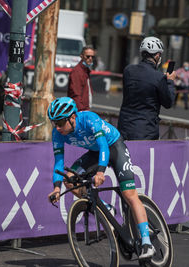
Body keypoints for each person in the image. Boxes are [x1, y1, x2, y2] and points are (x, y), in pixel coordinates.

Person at [47, 97, 156, 259]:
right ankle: (106, 207)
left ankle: (147, 243)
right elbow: (59, 162)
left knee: (129, 195)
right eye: (54, 123)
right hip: (95, 152)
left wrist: (100, 171)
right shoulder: (58, 133)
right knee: (69, 179)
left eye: (61, 123)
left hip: (114, 146)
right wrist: (56, 187)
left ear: (72, 117)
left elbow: (104, 145)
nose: (57, 127)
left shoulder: (89, 120)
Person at [118, 36, 176, 140]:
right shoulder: (158, 77)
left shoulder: (128, 70)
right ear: (157, 55)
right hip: (145, 132)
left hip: (124, 128)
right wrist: (170, 81)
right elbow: (168, 102)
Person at [67, 46, 94, 111]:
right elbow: (76, 95)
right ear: (81, 56)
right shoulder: (77, 72)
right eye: (87, 56)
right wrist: (82, 111)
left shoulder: (86, 71)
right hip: (80, 111)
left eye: (92, 57)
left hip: (85, 109)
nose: (90, 58)